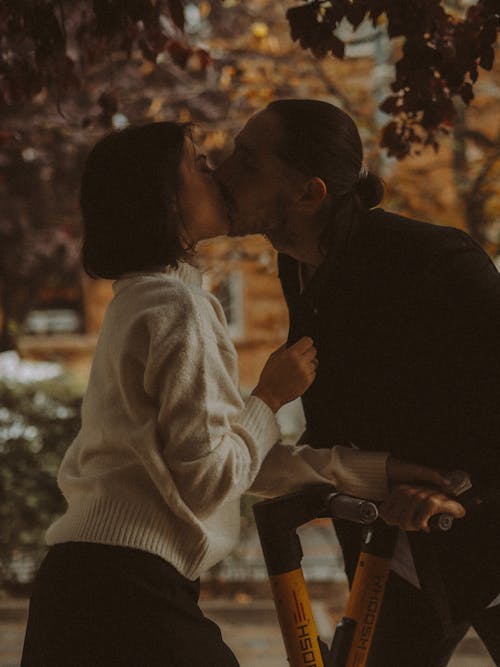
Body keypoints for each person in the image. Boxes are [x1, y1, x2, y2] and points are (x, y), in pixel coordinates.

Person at [20, 122, 458, 667]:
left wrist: (379, 470)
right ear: (166, 198)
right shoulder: (179, 310)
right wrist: (269, 397)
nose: (219, 172)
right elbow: (211, 481)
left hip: (85, 580)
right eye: (200, 164)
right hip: (129, 589)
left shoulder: (139, 299)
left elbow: (235, 462)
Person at [215, 99, 500, 666]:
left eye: (247, 161)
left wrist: (462, 484)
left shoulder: (435, 261)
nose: (222, 171)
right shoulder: (299, 267)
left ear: (309, 193)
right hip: (393, 554)